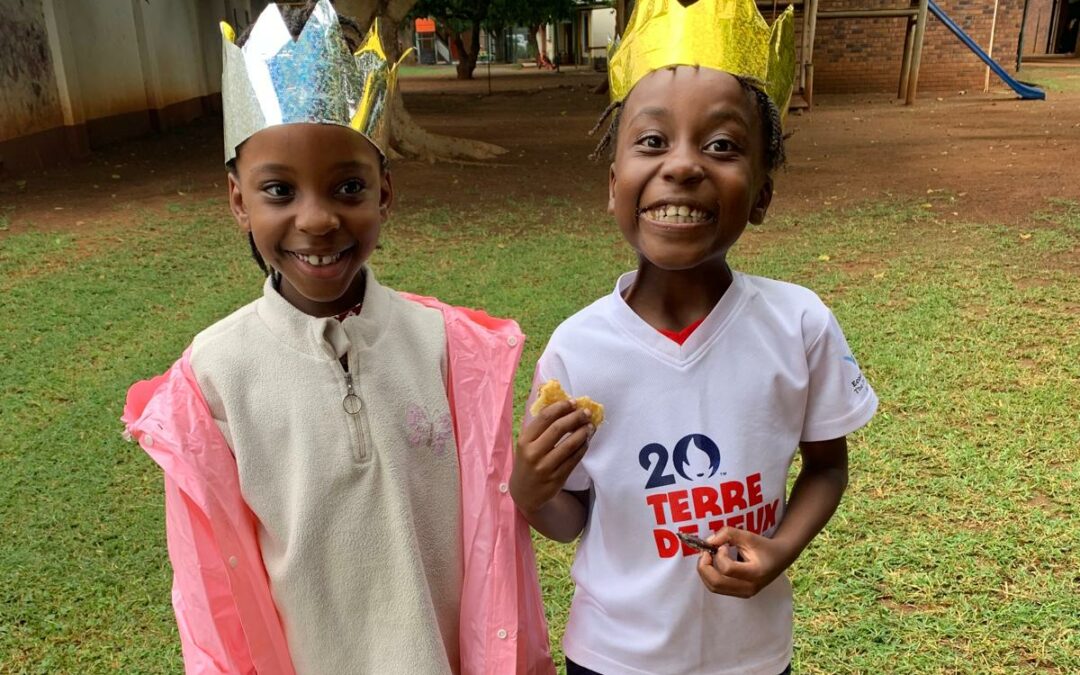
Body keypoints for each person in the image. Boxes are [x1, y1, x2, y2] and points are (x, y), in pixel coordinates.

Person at [122, 2, 554, 673]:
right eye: (279, 190)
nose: (317, 219)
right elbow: (215, 596)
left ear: (386, 193)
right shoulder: (213, 377)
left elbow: (495, 547)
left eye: (347, 186)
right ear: (239, 200)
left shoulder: (448, 346)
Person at [510, 1, 878, 673]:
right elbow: (573, 518)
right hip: (613, 655)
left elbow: (827, 464)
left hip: (751, 655)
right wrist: (531, 490)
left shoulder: (798, 325)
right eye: (652, 142)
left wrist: (779, 549)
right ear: (613, 184)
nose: (683, 166)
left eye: (722, 145)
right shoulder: (577, 348)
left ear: (762, 192)